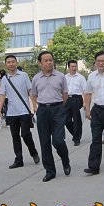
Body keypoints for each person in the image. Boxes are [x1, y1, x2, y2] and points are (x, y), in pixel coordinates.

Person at [31, 51, 71, 182]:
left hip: (58, 109)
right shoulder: (36, 78)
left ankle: (65, 160)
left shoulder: (60, 76)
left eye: (50, 60)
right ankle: (50, 171)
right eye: (45, 60)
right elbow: (34, 94)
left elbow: (65, 93)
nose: (49, 62)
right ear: (40, 63)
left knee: (58, 141)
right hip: (43, 110)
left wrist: (59, 106)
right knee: (45, 142)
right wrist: (39, 105)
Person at [0, 55, 40, 169]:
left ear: (16, 62)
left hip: (24, 111)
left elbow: (30, 91)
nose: (11, 64)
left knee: (25, 134)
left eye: (13, 62)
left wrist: (34, 105)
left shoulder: (24, 75)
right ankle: (19, 159)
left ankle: (34, 152)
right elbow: (2, 95)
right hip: (12, 113)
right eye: (8, 62)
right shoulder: (5, 79)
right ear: (6, 64)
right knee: (15, 136)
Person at [64, 60, 87, 146]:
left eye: (75, 66)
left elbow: (85, 91)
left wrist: (85, 102)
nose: (74, 68)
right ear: (69, 67)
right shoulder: (64, 77)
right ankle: (75, 133)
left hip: (77, 99)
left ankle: (77, 139)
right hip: (67, 99)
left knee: (77, 120)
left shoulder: (81, 78)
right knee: (66, 120)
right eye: (72, 66)